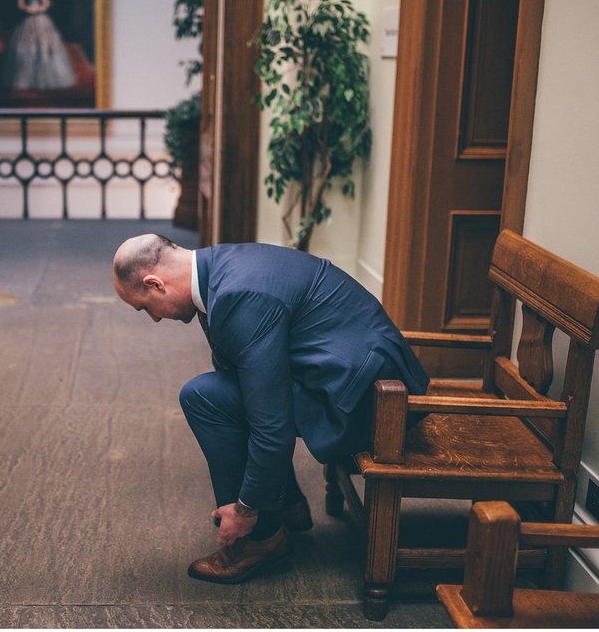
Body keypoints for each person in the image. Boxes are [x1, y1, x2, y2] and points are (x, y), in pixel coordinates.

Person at [112, 234, 429, 584]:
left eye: (144, 307)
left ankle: (260, 541)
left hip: (373, 402)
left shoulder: (238, 295)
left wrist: (247, 507)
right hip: (351, 371)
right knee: (227, 392)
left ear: (154, 284)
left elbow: (270, 424)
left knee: (203, 398)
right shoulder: (222, 266)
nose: (153, 319)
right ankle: (286, 504)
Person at [1, 0, 76, 91]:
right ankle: (27, 79)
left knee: (45, 48)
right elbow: (20, 3)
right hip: (28, 19)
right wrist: (27, 8)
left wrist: (39, 9)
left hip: (41, 19)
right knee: (25, 47)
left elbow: (46, 3)